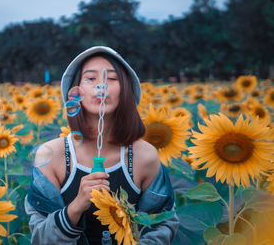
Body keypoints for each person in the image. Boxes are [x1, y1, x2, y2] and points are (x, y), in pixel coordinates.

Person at [25, 46, 179, 245]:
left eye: (112, 79)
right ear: (75, 91)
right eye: (91, 78)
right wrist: (76, 207)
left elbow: (163, 223)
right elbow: (40, 237)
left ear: (126, 90)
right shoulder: (53, 155)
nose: (101, 86)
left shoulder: (145, 156)